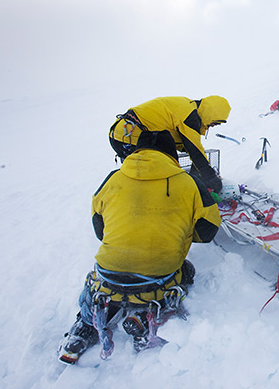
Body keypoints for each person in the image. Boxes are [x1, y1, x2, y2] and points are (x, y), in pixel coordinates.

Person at [58, 130, 222, 364]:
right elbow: (208, 230)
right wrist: (180, 234)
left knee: (100, 284)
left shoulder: (113, 178)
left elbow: (99, 228)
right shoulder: (189, 182)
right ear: (171, 154)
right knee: (186, 272)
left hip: (109, 272)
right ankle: (147, 317)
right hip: (159, 274)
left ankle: (85, 327)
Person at [108, 95, 231, 192]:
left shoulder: (187, 106)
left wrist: (198, 169)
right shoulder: (190, 117)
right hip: (130, 136)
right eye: (215, 122)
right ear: (210, 114)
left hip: (122, 134)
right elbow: (194, 150)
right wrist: (210, 178)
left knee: (147, 173)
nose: (213, 126)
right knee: (160, 175)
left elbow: (185, 145)